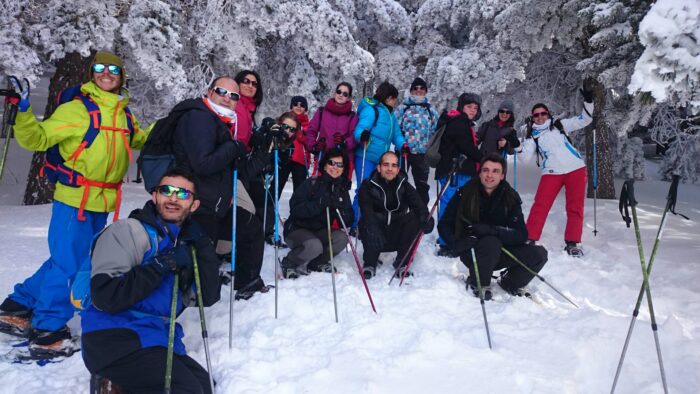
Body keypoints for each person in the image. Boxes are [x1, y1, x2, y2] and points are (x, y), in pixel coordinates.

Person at [0, 52, 148, 357]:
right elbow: (37, 139)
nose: (106, 73)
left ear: (121, 77)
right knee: (68, 263)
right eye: (99, 68)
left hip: (102, 201)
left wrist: (173, 124)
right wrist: (25, 112)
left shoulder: (123, 114)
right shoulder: (78, 109)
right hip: (74, 198)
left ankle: (18, 306)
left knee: (70, 259)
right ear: (92, 73)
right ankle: (47, 330)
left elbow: (140, 140)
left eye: (112, 70)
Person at [81, 169, 219, 393]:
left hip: (155, 337)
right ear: (154, 197)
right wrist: (160, 266)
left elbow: (208, 297)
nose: (173, 198)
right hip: (115, 337)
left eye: (182, 194)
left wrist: (202, 244)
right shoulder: (128, 231)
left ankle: (117, 385)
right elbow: (106, 296)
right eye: (166, 191)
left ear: (194, 205)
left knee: (205, 386)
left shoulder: (181, 243)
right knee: (187, 390)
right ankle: (110, 378)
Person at [171, 76, 271, 298]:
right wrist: (234, 147)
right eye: (221, 92)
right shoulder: (199, 118)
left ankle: (248, 281)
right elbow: (203, 163)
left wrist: (264, 150)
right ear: (209, 91)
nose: (227, 99)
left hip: (216, 202)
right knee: (201, 276)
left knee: (251, 228)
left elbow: (235, 170)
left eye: (233, 96)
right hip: (196, 206)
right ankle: (172, 306)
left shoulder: (221, 122)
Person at [440, 154, 548, 300]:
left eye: (495, 171)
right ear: (480, 173)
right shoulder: (464, 193)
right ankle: (478, 283)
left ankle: (510, 282)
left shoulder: (510, 197)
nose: (489, 175)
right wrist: (455, 243)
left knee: (539, 254)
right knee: (491, 242)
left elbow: (521, 234)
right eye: (485, 170)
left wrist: (494, 230)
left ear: (502, 175)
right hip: (472, 250)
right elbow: (444, 223)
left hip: (502, 250)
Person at [519, 88, 594, 257]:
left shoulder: (560, 125)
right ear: (532, 118)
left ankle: (573, 242)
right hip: (551, 173)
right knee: (540, 205)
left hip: (575, 169)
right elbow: (524, 158)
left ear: (548, 114)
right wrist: (515, 146)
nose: (540, 117)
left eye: (543, 114)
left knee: (575, 208)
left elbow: (585, 119)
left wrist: (588, 102)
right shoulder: (532, 137)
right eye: (536, 115)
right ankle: (530, 238)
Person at [358, 151, 432, 279]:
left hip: (397, 234)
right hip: (376, 236)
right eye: (386, 165)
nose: (390, 169)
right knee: (366, 221)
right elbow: (366, 209)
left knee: (415, 217)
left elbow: (418, 205)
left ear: (398, 169)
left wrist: (426, 218)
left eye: (393, 165)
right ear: (379, 167)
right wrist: (373, 226)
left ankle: (402, 262)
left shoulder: (404, 185)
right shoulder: (368, 186)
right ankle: (370, 262)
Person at [281, 148, 353, 278]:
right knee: (314, 246)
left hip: (319, 231)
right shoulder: (312, 184)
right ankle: (290, 262)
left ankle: (317, 262)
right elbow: (296, 209)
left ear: (343, 169)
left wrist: (340, 208)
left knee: (342, 238)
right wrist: (319, 204)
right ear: (325, 165)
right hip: (297, 230)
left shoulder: (341, 190)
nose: (335, 167)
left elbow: (348, 220)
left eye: (339, 165)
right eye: (331, 163)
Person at [352, 81, 408, 229]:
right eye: (394, 98)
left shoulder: (390, 115)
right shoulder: (372, 110)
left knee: (376, 191)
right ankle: (355, 223)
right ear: (388, 97)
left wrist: (403, 145)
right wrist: (361, 136)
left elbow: (396, 134)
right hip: (365, 155)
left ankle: (370, 221)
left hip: (380, 161)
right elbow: (360, 129)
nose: (395, 102)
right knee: (363, 190)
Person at [396, 77, 439, 205]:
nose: (418, 91)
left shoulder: (431, 111)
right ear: (411, 91)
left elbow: (434, 132)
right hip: (404, 152)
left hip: (422, 154)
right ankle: (400, 212)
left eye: (422, 88)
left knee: (422, 187)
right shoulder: (403, 108)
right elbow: (395, 130)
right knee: (399, 183)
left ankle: (421, 215)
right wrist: (400, 144)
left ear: (426, 91)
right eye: (415, 88)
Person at [305, 82, 358, 177]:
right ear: (335, 93)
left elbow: (355, 136)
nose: (341, 95)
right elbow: (311, 131)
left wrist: (345, 143)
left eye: (345, 94)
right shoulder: (322, 111)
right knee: (318, 188)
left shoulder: (352, 116)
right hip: (324, 157)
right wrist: (314, 146)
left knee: (339, 189)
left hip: (343, 160)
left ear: (349, 98)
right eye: (339, 92)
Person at [279, 96, 311, 192]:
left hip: (300, 160)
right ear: (291, 106)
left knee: (299, 189)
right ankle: (270, 206)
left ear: (305, 108)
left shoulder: (308, 124)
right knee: (277, 184)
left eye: (302, 105)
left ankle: (297, 207)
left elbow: (310, 142)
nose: (298, 107)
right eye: (296, 104)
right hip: (285, 157)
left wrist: (302, 137)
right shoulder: (285, 121)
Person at [234, 70, 263, 148]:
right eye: (246, 81)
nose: (250, 86)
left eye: (254, 84)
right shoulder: (231, 101)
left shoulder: (250, 109)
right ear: (237, 83)